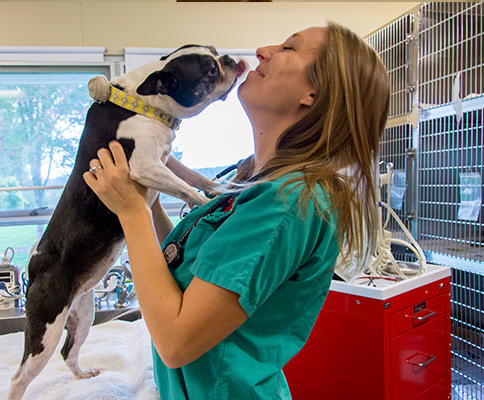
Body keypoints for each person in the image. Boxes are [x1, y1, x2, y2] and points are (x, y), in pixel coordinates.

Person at [83, 21, 390, 400]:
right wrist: (149, 199)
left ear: (313, 93)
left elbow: (176, 341)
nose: (263, 51)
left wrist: (132, 213)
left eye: (289, 48)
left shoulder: (286, 202)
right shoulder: (251, 184)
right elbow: (183, 271)